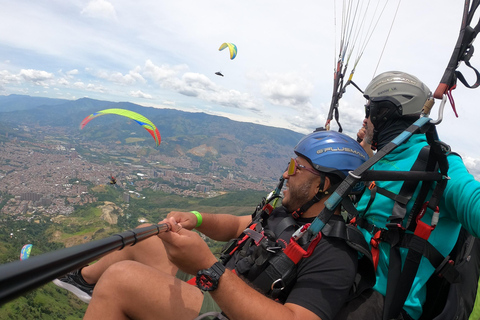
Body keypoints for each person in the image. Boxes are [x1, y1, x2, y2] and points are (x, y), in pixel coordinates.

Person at [54, 130, 370, 320]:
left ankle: (107, 294)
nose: (286, 174)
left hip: (227, 311)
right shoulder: (289, 215)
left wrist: (210, 269)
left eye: (296, 167)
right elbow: (236, 226)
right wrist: (198, 220)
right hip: (217, 291)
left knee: (122, 279)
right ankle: (83, 280)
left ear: (323, 186)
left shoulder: (335, 253)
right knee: (151, 236)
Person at [347, 71, 480, 320]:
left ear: (385, 113)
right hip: (347, 276)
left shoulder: (438, 165)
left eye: (369, 111)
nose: (364, 120)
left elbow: (473, 201)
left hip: (383, 303)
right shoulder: (385, 159)